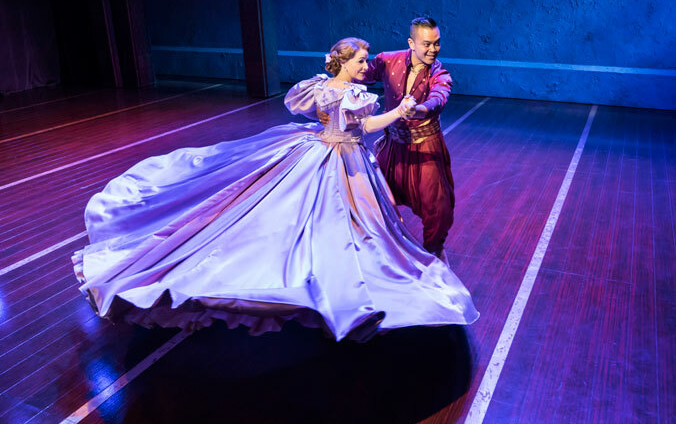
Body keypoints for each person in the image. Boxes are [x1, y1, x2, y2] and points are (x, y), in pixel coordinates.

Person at [72, 37, 478, 342]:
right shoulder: (352, 94)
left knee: (330, 216)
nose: (364, 67)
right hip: (341, 159)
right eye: (358, 62)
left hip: (320, 147)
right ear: (345, 63)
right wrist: (399, 110)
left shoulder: (319, 85)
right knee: (340, 218)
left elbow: (311, 111)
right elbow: (367, 127)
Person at [320, 17, 455, 261]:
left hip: (425, 146)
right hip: (392, 146)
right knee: (375, 199)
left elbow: (439, 98)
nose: (433, 49)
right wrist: (335, 83)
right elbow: (359, 72)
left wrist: (419, 109)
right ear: (411, 43)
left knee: (438, 207)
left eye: (437, 43)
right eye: (427, 44)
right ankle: (378, 252)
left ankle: (433, 252)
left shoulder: (439, 72)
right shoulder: (388, 60)